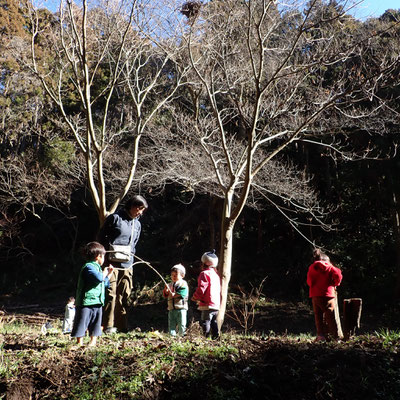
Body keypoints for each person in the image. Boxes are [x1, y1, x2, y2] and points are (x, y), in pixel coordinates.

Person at [98, 195, 148, 333]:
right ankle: (107, 326)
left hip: (127, 264)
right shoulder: (115, 218)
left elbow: (135, 243)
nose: (140, 212)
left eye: (142, 210)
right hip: (111, 264)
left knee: (124, 294)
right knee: (110, 294)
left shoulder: (137, 224)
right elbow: (101, 238)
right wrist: (104, 260)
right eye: (139, 208)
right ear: (131, 206)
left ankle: (122, 327)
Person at [71, 242, 114, 347]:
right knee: (82, 322)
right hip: (86, 302)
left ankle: (93, 341)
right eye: (103, 256)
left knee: (96, 323)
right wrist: (104, 272)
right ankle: (79, 342)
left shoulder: (98, 269)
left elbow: (104, 284)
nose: (104, 259)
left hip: (97, 301)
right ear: (98, 256)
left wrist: (108, 275)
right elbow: (99, 278)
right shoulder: (88, 267)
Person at [307, 249, 343, 342]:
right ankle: (336, 337)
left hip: (315, 295)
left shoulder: (312, 267)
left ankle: (320, 336)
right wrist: (336, 283)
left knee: (318, 316)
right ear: (327, 260)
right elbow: (338, 275)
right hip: (328, 295)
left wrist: (313, 286)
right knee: (330, 317)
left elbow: (309, 281)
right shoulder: (331, 267)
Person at [192, 250, 221, 339]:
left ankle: (206, 337)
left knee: (206, 321)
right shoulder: (216, 275)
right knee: (213, 321)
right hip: (215, 303)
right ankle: (216, 337)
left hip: (207, 303)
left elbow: (201, 288)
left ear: (204, 263)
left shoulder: (204, 274)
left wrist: (195, 297)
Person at [163, 264, 189, 336]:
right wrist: (166, 291)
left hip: (181, 308)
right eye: (172, 275)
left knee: (182, 324)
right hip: (171, 308)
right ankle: (172, 336)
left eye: (176, 274)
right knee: (171, 323)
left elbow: (183, 293)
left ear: (182, 275)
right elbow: (165, 294)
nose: (173, 276)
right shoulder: (170, 284)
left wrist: (176, 294)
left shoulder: (183, 283)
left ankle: (182, 335)